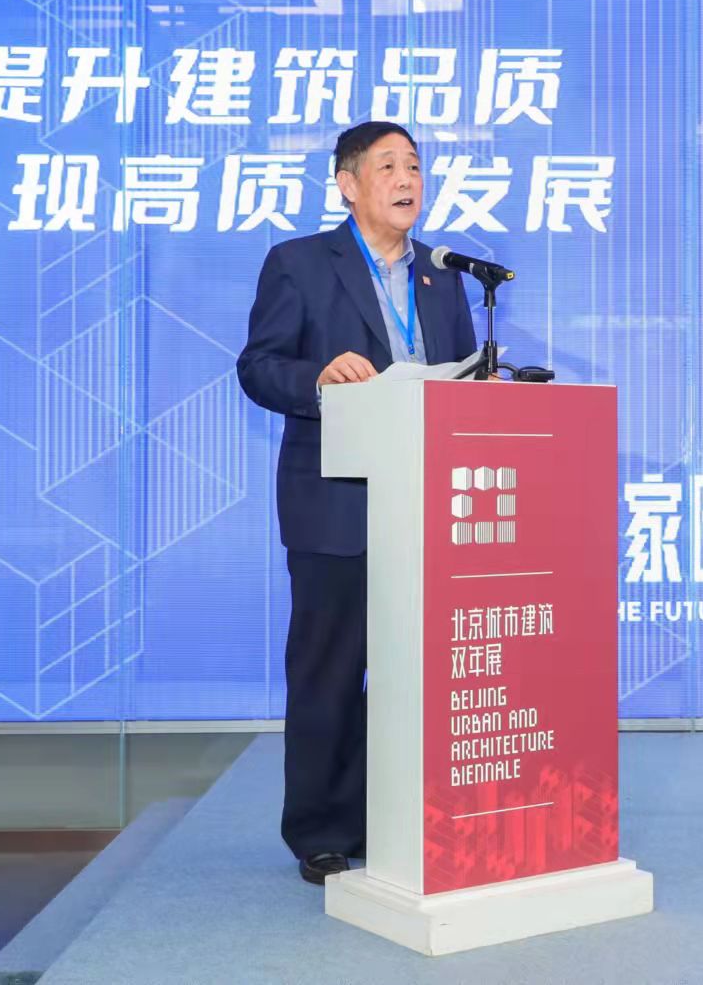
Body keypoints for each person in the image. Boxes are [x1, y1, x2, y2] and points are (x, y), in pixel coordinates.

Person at [236, 121, 478, 885]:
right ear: (347, 184)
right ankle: (320, 830)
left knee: (414, 672)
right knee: (330, 670)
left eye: (415, 166)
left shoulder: (443, 275)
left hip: (423, 503)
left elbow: (460, 380)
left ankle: (393, 816)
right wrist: (317, 375)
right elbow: (257, 367)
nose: (407, 179)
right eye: (388, 166)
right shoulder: (300, 263)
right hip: (334, 500)